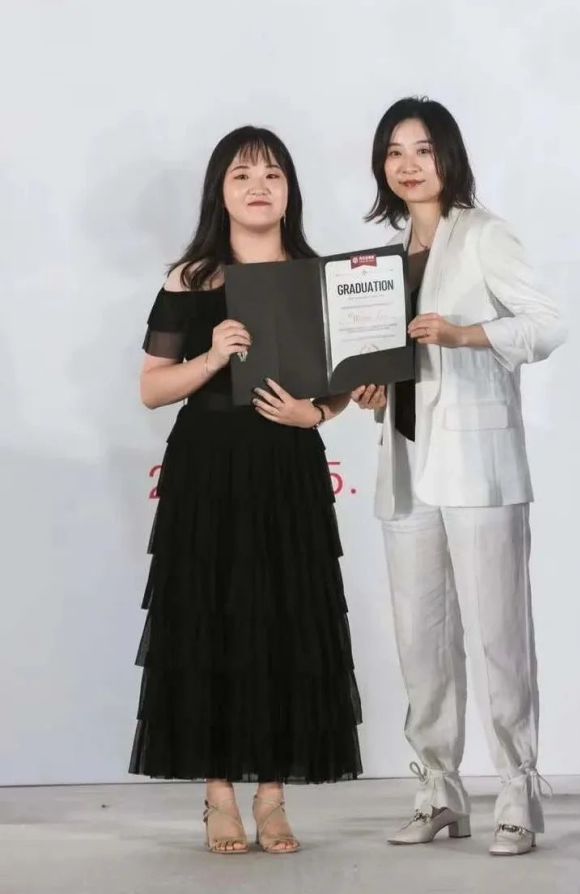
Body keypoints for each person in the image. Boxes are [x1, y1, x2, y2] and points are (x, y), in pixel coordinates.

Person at [130, 126, 362, 856]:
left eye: (272, 174)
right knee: (208, 619)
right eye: (241, 174)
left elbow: (346, 380)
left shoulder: (318, 275)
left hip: (288, 466)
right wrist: (209, 358)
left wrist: (316, 414)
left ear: (291, 189)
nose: (258, 186)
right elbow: (151, 389)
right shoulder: (190, 279)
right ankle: (219, 796)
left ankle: (272, 799)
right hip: (207, 468)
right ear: (219, 192)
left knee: (286, 620)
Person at [352, 97, 566, 856]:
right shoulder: (381, 260)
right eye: (394, 152)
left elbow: (546, 324)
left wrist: (464, 334)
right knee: (421, 639)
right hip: (406, 460)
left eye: (422, 149)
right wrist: (372, 387)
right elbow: (392, 357)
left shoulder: (483, 235)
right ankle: (438, 790)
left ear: (449, 157)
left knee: (498, 633)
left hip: (477, 464)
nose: (408, 164)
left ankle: (516, 792)